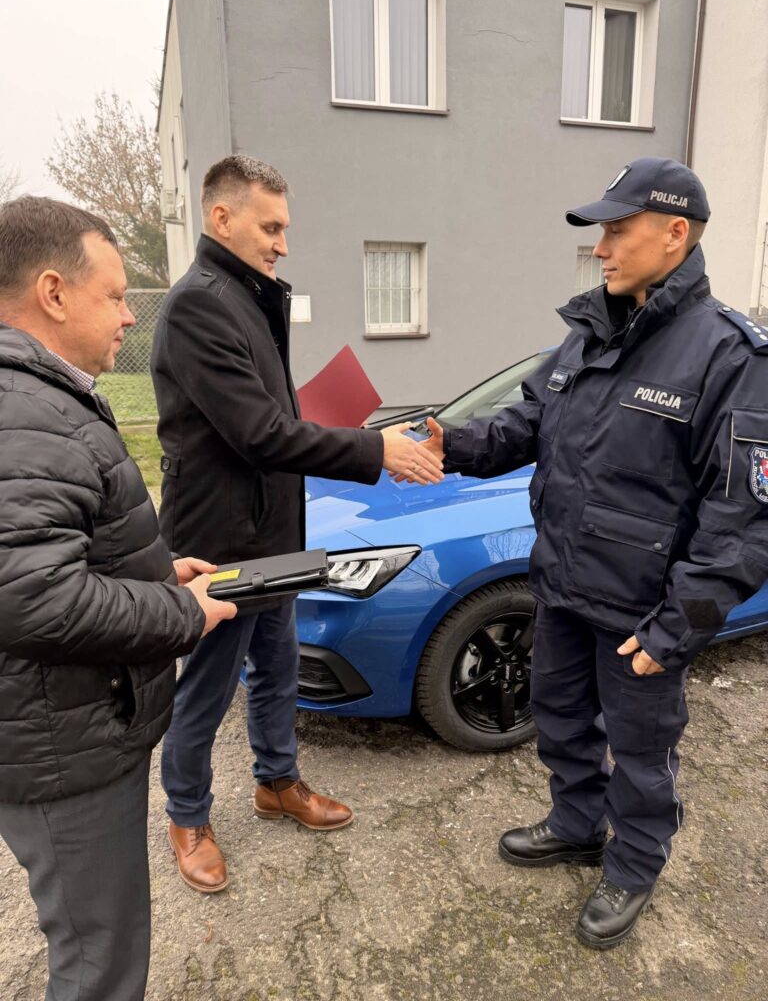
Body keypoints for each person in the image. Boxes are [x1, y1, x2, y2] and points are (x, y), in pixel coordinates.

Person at [419, 158, 768, 948]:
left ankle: (634, 866)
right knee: (561, 719)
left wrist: (677, 627)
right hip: (563, 587)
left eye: (617, 230)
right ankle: (577, 826)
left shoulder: (729, 356)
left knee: (642, 754)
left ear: (674, 234)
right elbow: (523, 424)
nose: (601, 248)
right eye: (600, 232)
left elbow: (743, 518)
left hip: (641, 613)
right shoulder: (588, 335)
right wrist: (449, 444)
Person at [152, 155, 442, 893]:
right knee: (208, 685)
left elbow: (268, 418)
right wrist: (374, 449)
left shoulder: (249, 296)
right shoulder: (197, 305)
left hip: (275, 528)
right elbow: (258, 433)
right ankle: (187, 816)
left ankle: (276, 783)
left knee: (277, 668)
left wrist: (325, 421)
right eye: (271, 227)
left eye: (285, 229)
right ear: (222, 218)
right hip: (222, 540)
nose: (283, 243)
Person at [0, 196, 237, 1001]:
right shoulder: (25, 412)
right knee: (99, 962)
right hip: (61, 750)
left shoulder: (40, 399)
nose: (131, 317)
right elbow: (32, 600)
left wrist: (154, 574)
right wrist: (180, 613)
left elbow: (48, 552)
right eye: (115, 295)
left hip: (63, 729)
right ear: (54, 293)